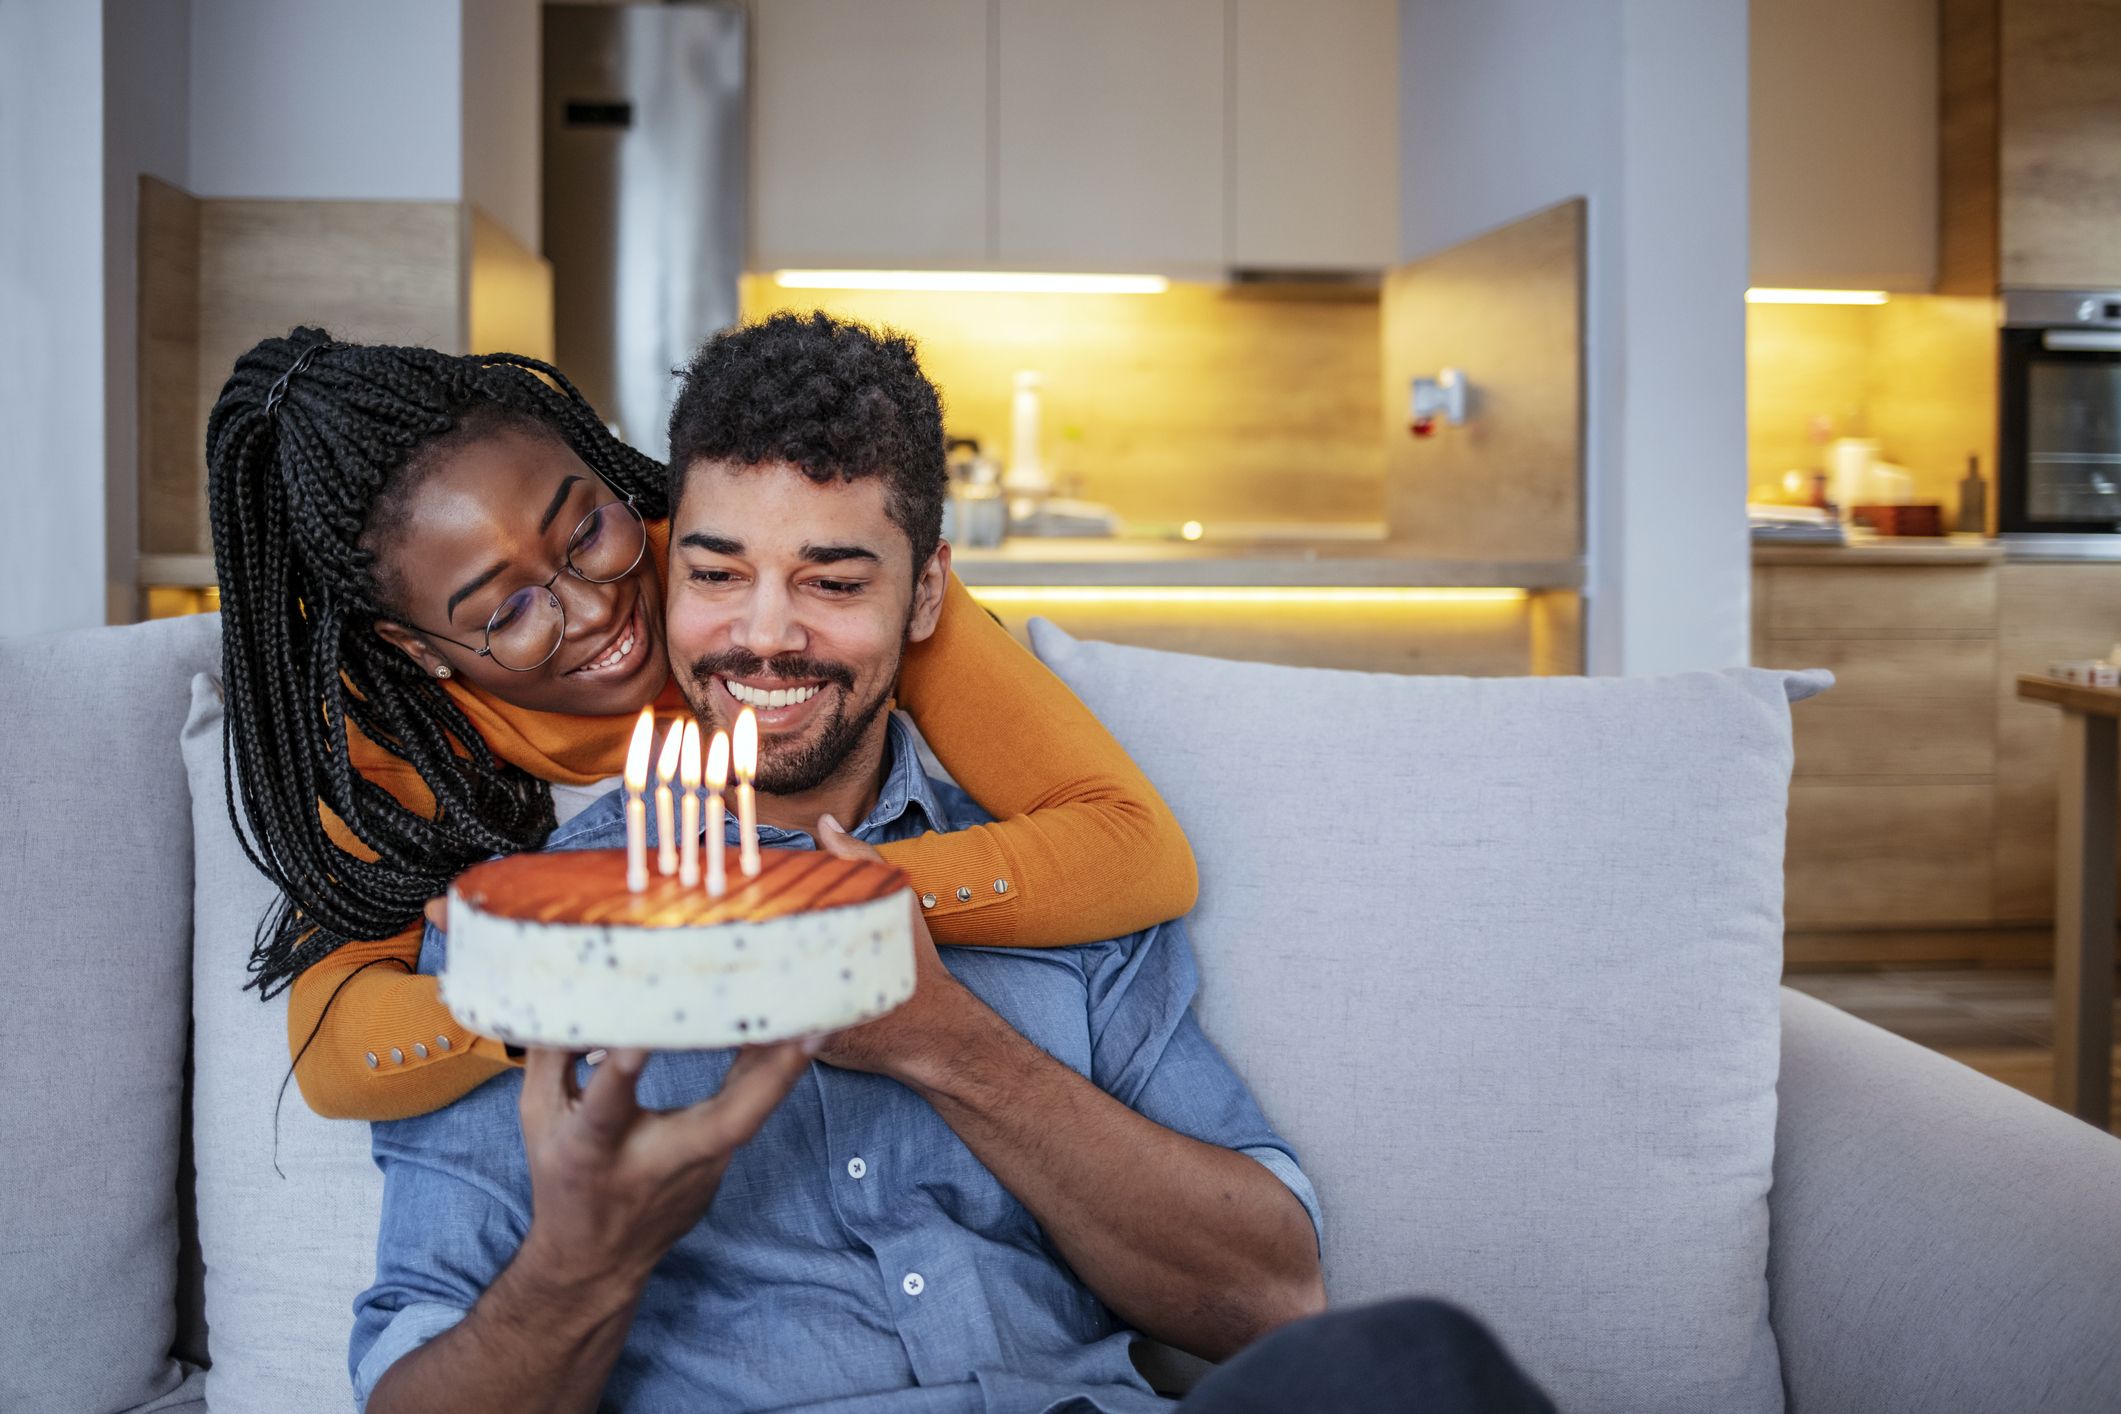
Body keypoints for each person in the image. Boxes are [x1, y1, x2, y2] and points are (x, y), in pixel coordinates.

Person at [350, 313, 1556, 1414]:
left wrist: (937, 1035)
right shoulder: (531, 938)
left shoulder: (1052, 875)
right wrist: (584, 1259)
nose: (766, 634)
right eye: (718, 574)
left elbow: (1268, 1296)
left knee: (1418, 1366)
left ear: (925, 592)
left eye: (833, 580)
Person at [205, 326, 1197, 1121]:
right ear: (422, 649)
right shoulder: (401, 736)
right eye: (505, 610)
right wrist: (563, 990)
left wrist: (797, 904)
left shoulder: (792, 579)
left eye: (587, 526)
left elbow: (1136, 848)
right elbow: (332, 1050)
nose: (597, 609)